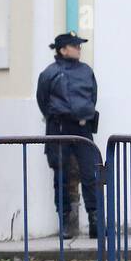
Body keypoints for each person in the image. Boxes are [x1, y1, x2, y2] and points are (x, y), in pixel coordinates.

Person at [36, 31, 100, 239]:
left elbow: (93, 96)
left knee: (91, 174)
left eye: (80, 45)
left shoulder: (86, 71)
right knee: (61, 176)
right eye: (75, 45)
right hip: (60, 128)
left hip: (83, 128)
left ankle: (95, 220)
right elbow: (43, 100)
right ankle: (66, 222)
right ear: (63, 50)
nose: (79, 48)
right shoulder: (49, 73)